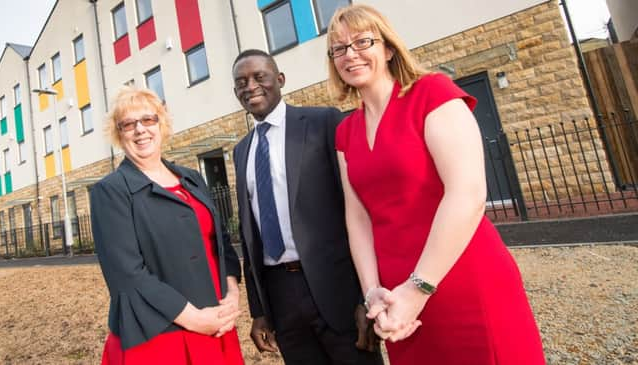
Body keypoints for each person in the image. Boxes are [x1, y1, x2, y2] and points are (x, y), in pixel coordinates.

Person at [327, 4, 546, 365]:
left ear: (388, 47)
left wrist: (418, 288)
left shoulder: (432, 93)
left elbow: (469, 194)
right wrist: (372, 294)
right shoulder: (345, 132)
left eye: (362, 41)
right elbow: (358, 218)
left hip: (461, 280)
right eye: (339, 48)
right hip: (395, 302)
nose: (350, 54)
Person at [232, 49, 383, 365]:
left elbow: (359, 209)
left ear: (280, 79)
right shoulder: (241, 151)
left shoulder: (323, 122)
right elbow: (250, 236)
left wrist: (364, 297)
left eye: (259, 76)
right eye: (241, 82)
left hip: (337, 290)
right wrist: (259, 310)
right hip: (281, 295)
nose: (250, 86)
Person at [91, 87, 244, 364]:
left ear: (161, 124)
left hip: (217, 324)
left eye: (148, 120)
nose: (140, 130)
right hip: (161, 337)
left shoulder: (192, 178)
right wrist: (196, 320)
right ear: (119, 133)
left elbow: (221, 243)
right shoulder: (111, 191)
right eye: (128, 124)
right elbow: (127, 275)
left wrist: (232, 295)